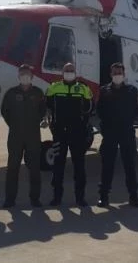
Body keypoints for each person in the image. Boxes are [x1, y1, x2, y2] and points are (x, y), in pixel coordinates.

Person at [45, 62, 94, 207]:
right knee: (58, 166)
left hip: (77, 133)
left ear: (75, 72)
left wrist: (84, 125)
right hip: (59, 133)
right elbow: (47, 106)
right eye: (67, 70)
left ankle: (80, 198)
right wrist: (52, 124)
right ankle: (57, 197)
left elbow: (90, 107)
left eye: (71, 70)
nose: (69, 72)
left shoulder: (83, 88)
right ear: (62, 72)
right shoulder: (53, 87)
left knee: (79, 165)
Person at [96, 62, 138, 208]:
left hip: (126, 132)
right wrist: (105, 127)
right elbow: (99, 110)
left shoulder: (132, 91)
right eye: (115, 73)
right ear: (111, 74)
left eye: (119, 73)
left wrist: (129, 121)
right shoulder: (104, 91)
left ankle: (133, 196)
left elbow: (137, 109)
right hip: (110, 132)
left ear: (124, 74)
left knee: (130, 165)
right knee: (107, 165)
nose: (117, 75)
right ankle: (103, 196)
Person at [1, 64, 47, 208]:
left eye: (27, 74)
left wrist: (34, 123)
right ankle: (10, 199)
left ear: (32, 76)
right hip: (15, 136)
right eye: (22, 74)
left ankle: (35, 198)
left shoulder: (38, 93)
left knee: (35, 168)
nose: (25, 77)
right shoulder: (11, 93)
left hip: (33, 135)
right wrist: (15, 125)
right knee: (13, 168)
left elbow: (42, 111)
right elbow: (5, 112)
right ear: (18, 76)